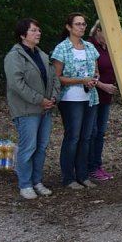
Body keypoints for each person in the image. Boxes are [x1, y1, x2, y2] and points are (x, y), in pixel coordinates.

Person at [4, 18, 61, 200]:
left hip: (45, 109)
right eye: (34, 30)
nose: (38, 33)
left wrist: (53, 98)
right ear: (23, 35)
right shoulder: (14, 57)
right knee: (28, 147)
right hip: (27, 110)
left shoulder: (42, 55)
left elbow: (54, 78)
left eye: (39, 30)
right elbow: (16, 84)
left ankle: (37, 181)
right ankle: (25, 184)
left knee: (41, 147)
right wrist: (39, 100)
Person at [51, 13, 100, 190]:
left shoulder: (89, 47)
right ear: (69, 27)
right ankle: (68, 177)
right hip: (71, 99)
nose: (82, 27)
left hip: (90, 98)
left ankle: (83, 175)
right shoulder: (61, 49)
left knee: (86, 137)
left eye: (84, 24)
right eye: (78, 24)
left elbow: (96, 71)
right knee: (73, 137)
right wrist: (81, 80)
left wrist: (94, 79)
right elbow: (57, 77)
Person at [88, 20, 119, 181]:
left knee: (100, 132)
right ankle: (89, 167)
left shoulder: (109, 48)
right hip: (93, 96)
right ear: (98, 30)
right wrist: (102, 85)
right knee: (91, 132)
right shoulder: (89, 46)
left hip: (106, 98)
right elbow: (87, 72)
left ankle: (97, 165)